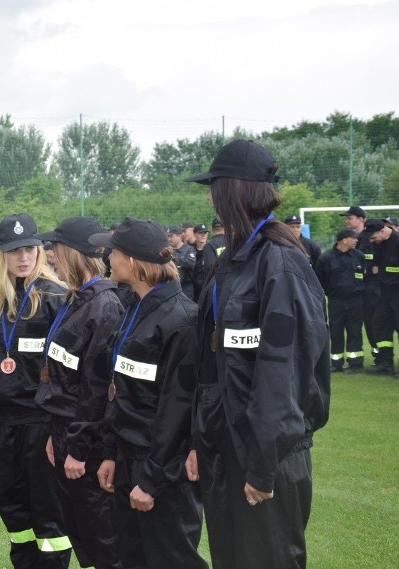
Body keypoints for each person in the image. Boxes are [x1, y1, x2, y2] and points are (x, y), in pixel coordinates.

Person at [186, 140, 331, 569]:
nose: (210, 196)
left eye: (214, 186)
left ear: (234, 190)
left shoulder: (280, 264)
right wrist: (200, 441)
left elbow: (283, 373)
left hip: (265, 453)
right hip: (224, 444)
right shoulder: (230, 261)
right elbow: (213, 364)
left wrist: (263, 464)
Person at [92, 217, 207, 569]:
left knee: (171, 559)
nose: (108, 258)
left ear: (133, 261)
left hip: (162, 470)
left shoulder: (181, 320)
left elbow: (178, 409)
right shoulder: (135, 308)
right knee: (131, 558)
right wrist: (111, 452)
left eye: (113, 252)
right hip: (129, 458)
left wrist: (152, 480)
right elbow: (122, 391)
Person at [0, 214, 71, 569]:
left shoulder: (56, 297)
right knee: (15, 513)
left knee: (48, 514)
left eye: (30, 248)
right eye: (15, 250)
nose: (24, 257)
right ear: (1, 253)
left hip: (39, 422)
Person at [33, 216, 125, 569]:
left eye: (54, 249)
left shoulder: (104, 306)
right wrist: (56, 436)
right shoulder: (77, 299)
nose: (50, 256)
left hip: (84, 443)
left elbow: (96, 390)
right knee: (83, 534)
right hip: (63, 433)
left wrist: (78, 449)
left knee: (104, 540)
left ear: (71, 252)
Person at [314, 228, 365, 374]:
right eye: (354, 238)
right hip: (336, 302)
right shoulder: (326, 258)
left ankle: (355, 363)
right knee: (336, 332)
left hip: (356, 301)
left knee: (355, 331)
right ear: (344, 239)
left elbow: (364, 276)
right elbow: (318, 281)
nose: (356, 240)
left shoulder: (359, 256)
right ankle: (336, 363)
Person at [342, 207, 380, 364]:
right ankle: (359, 359)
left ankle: (380, 356)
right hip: (354, 291)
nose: (347, 221)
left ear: (360, 219)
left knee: (374, 324)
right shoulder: (345, 238)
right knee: (355, 325)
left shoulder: (373, 237)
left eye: (350, 218)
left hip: (371, 289)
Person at [364, 219, 399, 377]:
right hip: (385, 292)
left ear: (383, 231)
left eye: (373, 238)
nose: (371, 241)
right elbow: (376, 265)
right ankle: (386, 363)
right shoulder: (378, 244)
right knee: (379, 324)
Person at [167, 226, 197, 300]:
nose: (169, 239)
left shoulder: (189, 249)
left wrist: (174, 259)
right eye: (167, 237)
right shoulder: (168, 250)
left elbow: (191, 264)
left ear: (179, 236)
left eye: (171, 236)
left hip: (185, 287)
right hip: (171, 286)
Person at [192, 223, 210, 302]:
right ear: (195, 234)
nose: (203, 235)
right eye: (200, 233)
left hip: (208, 285)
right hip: (194, 288)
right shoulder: (190, 250)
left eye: (205, 233)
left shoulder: (211, 248)